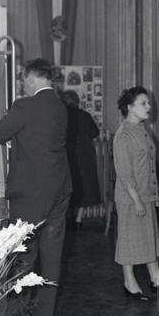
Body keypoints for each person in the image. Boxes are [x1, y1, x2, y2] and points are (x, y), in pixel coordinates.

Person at [0, 58, 71, 316]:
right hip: (60, 188)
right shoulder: (60, 107)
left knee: (22, 255)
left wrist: (10, 132)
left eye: (23, 80)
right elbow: (39, 139)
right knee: (52, 256)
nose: (22, 85)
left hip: (30, 192)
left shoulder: (24, 106)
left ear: (32, 78)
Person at [113, 86, 159, 301]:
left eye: (148, 103)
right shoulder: (123, 135)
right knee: (129, 239)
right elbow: (124, 174)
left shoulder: (141, 129)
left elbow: (148, 164)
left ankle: (156, 278)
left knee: (150, 238)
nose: (149, 106)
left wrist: (155, 193)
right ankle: (129, 283)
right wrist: (137, 200)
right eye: (143, 103)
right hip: (131, 197)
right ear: (130, 107)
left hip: (146, 193)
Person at [61, 90, 101, 228]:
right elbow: (95, 133)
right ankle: (78, 220)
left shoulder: (60, 116)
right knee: (84, 189)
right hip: (84, 158)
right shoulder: (85, 115)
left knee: (67, 189)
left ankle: (67, 219)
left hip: (66, 156)